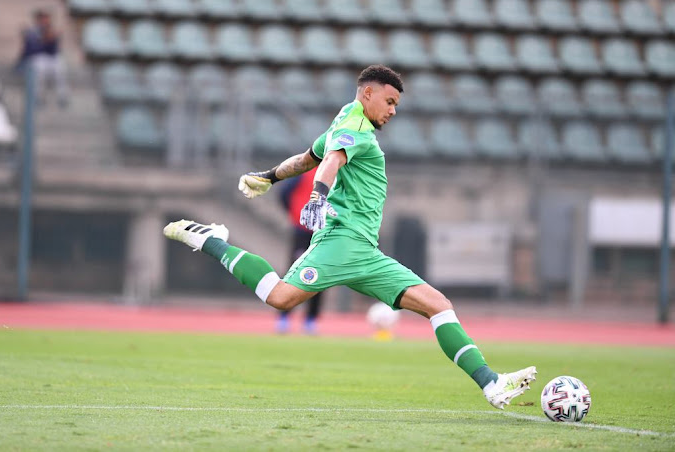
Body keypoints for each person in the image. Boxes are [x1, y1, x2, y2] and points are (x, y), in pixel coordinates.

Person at [164, 65, 536, 409]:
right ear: (368, 93)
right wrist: (317, 196)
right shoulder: (355, 128)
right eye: (389, 102)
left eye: (396, 105)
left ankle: (491, 383)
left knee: (438, 304)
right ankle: (210, 239)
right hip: (340, 243)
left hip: (365, 252)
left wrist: (270, 175)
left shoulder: (347, 117)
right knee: (280, 297)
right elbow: (330, 161)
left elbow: (310, 157)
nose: (393, 111)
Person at [276, 167, 323, 335]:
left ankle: (311, 319)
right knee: (293, 272)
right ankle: (284, 317)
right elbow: (284, 194)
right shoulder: (305, 172)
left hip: (324, 232)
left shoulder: (339, 175)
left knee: (321, 275)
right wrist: (296, 213)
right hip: (302, 231)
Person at [15, 9, 68, 107]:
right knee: (40, 68)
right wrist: (43, 41)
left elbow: (53, 51)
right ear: (38, 20)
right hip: (36, 59)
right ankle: (39, 97)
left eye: (47, 19)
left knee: (60, 67)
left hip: (50, 59)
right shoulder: (31, 32)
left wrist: (52, 40)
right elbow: (30, 50)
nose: (45, 22)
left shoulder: (52, 32)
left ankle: (62, 96)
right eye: (43, 19)